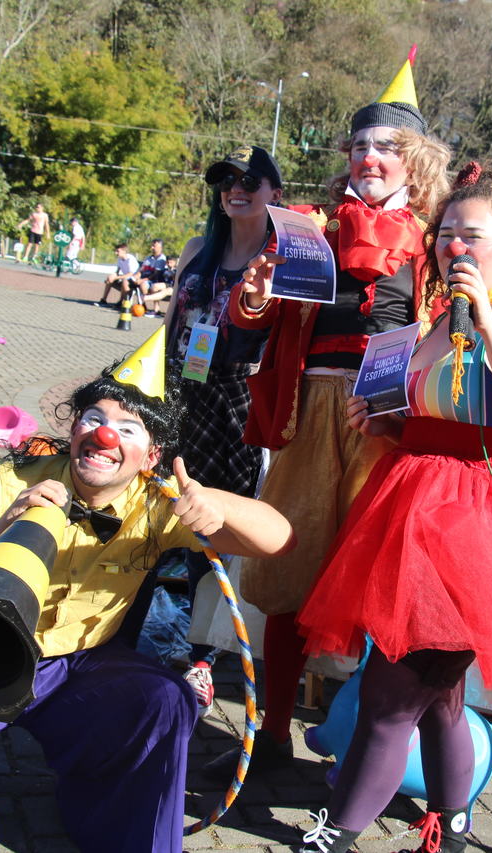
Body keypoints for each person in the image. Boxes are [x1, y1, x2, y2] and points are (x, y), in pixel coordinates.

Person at [0, 354, 295, 853]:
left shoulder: (158, 501)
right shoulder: (11, 481)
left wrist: (219, 505)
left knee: (164, 700)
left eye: (129, 429)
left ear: (151, 456)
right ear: (75, 427)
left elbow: (278, 538)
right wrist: (1, 527)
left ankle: (118, 833)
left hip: (82, 665)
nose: (106, 437)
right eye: (95, 419)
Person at [292, 164, 492, 853]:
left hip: (490, 527)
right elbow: (431, 417)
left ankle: (335, 833)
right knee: (437, 696)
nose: (454, 247)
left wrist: (491, 325)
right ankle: (452, 827)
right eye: (446, 236)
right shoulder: (433, 321)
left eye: (473, 235)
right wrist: (383, 424)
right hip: (412, 514)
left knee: (390, 694)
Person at [207, 56, 452, 781]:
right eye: (359, 146)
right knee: (289, 568)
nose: (369, 158)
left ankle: (369, 744)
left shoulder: (437, 240)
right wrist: (254, 293)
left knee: (385, 585)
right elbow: (253, 327)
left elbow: (454, 336)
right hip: (311, 408)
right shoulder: (307, 229)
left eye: (386, 147)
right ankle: (275, 733)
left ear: (414, 160)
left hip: (392, 423)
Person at [160, 144, 282, 716]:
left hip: (240, 406)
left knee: (220, 529)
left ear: (273, 191)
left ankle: (203, 659)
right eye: (227, 179)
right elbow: (169, 331)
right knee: (172, 518)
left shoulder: (280, 261)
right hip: (187, 399)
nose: (237, 187)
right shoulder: (195, 250)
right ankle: (164, 638)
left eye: (251, 179)